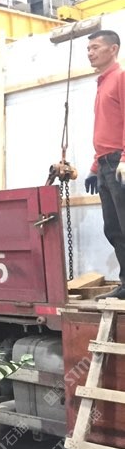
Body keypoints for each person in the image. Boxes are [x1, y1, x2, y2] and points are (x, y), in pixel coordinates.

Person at [84, 29, 125, 300]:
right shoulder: (102, 83)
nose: (90, 53)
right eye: (88, 49)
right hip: (105, 164)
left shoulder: (121, 77)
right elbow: (107, 128)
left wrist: (124, 158)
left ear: (113, 49)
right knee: (113, 228)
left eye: (95, 47)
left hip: (119, 162)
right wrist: (94, 166)